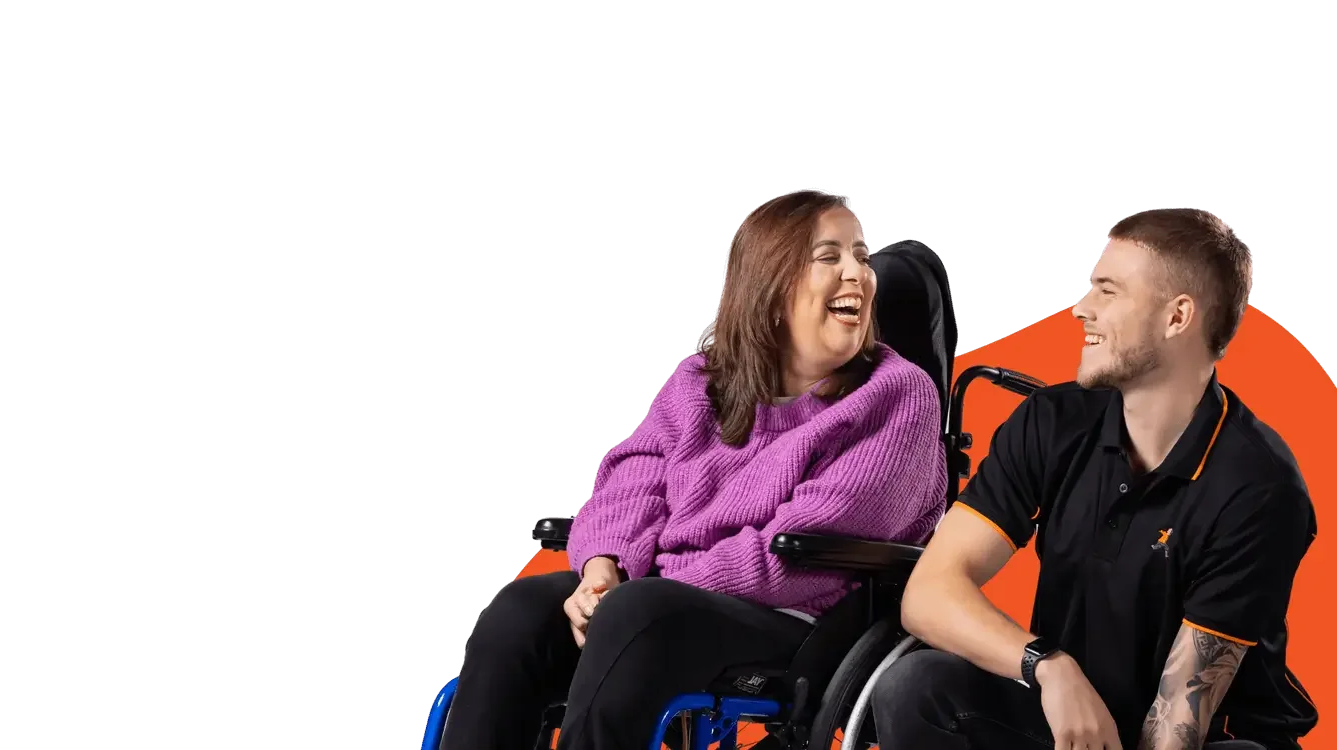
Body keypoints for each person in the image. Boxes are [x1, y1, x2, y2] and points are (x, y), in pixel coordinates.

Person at [438, 192, 949, 750]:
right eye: (830, 257)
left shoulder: (897, 397)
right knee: (525, 611)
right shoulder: (704, 382)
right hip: (660, 602)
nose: (859, 274)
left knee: (638, 613)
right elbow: (634, 476)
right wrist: (603, 568)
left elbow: (802, 550)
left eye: (862, 257)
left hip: (801, 618)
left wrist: (655, 585)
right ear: (772, 285)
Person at [871, 208, 1319, 750]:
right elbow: (929, 594)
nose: (1083, 309)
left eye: (1109, 292)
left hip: (1203, 739)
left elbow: (1178, 721)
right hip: (1076, 720)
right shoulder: (1052, 421)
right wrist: (1047, 665)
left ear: (1177, 318)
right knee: (915, 688)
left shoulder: (1259, 488)